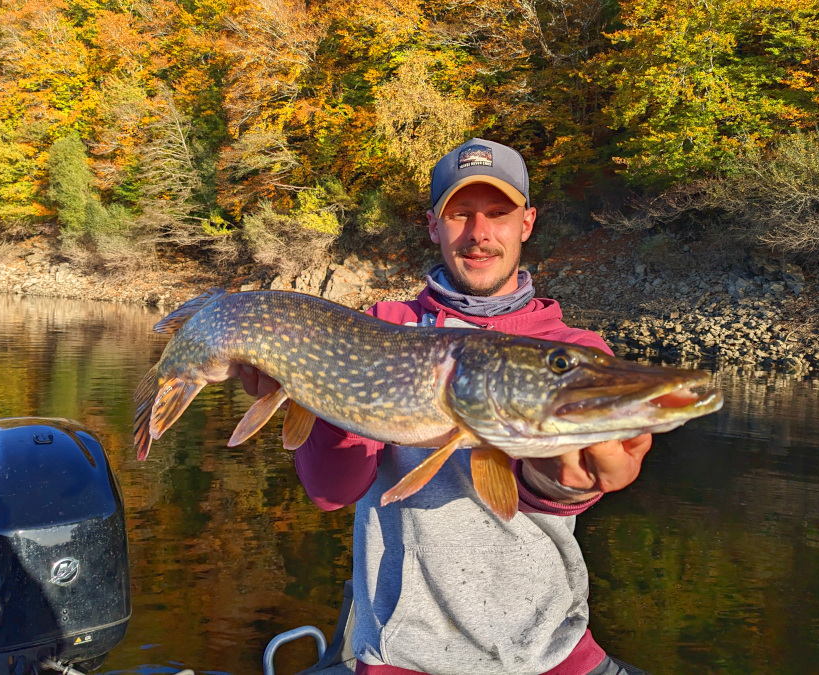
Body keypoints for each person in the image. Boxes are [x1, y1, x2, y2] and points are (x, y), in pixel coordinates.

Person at [242, 138, 652, 675]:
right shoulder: (383, 327)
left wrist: (566, 482)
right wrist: (313, 387)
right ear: (433, 225)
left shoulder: (572, 353)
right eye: (460, 214)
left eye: (498, 214)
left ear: (526, 222)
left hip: (549, 655)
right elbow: (330, 491)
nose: (479, 234)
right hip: (402, 657)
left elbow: (555, 495)